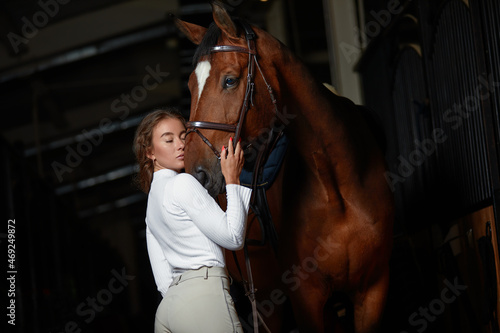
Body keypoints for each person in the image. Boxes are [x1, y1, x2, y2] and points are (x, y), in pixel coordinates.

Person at [133, 107, 251, 333]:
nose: (180, 145)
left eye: (183, 136)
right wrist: (233, 179)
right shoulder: (183, 183)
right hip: (204, 296)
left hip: (169, 309)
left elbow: (163, 281)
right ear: (150, 152)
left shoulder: (151, 208)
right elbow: (234, 237)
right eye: (168, 140)